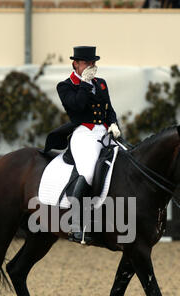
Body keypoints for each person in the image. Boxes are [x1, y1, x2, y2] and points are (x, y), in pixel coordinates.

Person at [56, 46, 121, 244]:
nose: (91, 66)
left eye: (93, 63)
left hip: (104, 131)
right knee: (89, 172)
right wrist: (84, 83)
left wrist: (113, 123)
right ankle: (76, 225)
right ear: (75, 64)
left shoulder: (101, 84)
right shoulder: (65, 86)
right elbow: (76, 107)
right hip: (83, 132)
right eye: (86, 63)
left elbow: (109, 108)